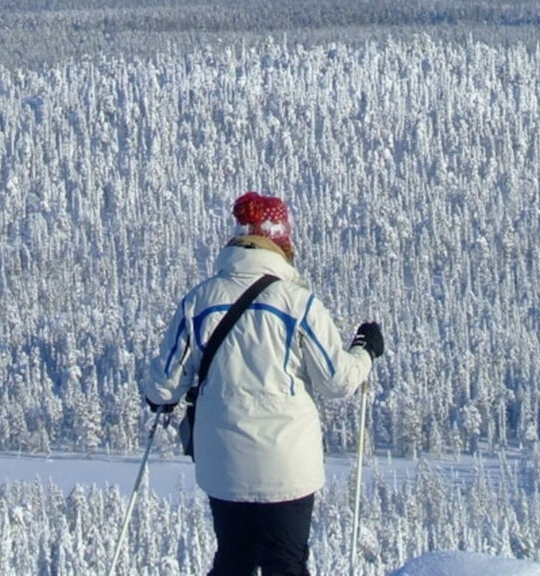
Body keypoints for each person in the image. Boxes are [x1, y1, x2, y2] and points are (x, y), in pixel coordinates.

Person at [140, 191, 385, 576]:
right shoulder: (298, 302)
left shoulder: (199, 301)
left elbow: (164, 385)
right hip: (289, 463)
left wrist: (158, 397)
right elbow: (337, 381)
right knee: (286, 564)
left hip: (223, 462)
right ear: (282, 240)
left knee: (233, 559)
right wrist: (364, 353)